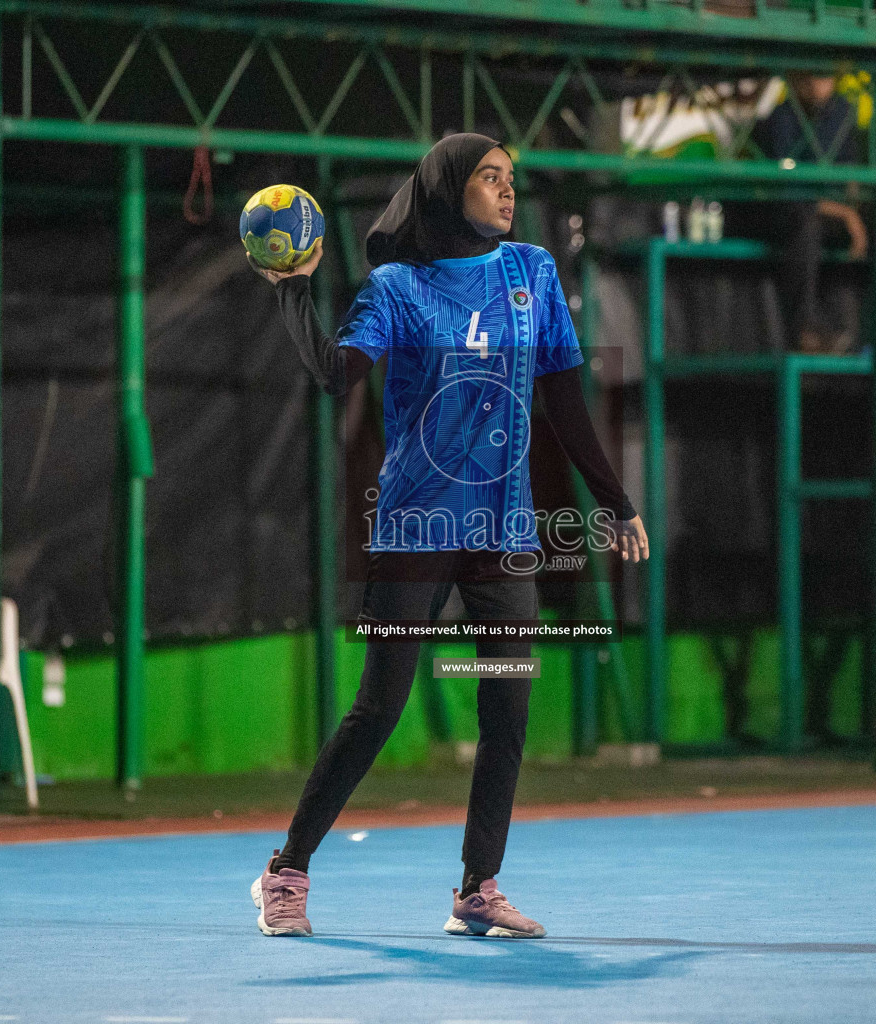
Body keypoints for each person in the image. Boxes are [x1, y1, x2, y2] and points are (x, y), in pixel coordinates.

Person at [246, 133, 648, 940]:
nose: (506, 192)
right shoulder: (395, 287)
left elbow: (566, 398)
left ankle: (477, 889)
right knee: (379, 708)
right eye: (490, 178)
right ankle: (285, 873)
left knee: (507, 706)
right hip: (418, 525)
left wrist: (613, 500)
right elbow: (334, 373)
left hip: (501, 530)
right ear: (446, 189)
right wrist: (293, 288)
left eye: (511, 180)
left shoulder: (532, 271)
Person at [753, 73, 868, 351]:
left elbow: (850, 171)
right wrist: (847, 215)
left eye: (824, 77)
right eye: (809, 78)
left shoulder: (842, 112)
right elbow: (790, 188)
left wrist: (856, 210)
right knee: (804, 225)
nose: (817, 85)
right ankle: (804, 330)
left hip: (835, 212)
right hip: (786, 212)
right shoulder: (781, 118)